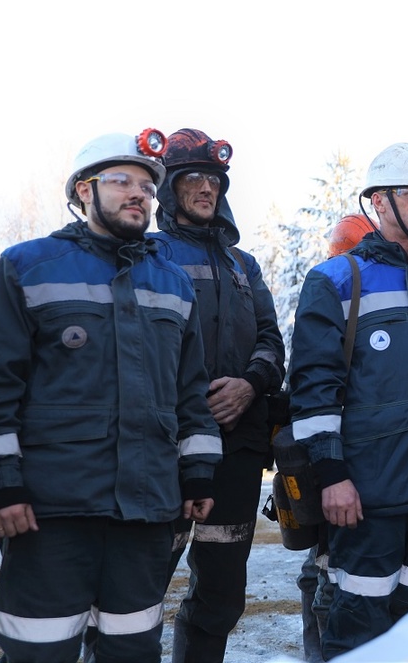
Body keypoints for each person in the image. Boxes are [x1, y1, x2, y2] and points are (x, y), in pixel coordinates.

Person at [0, 130, 222, 662]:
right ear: (83, 191)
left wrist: (197, 473)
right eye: (121, 181)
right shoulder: (28, 267)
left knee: (132, 649)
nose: (139, 194)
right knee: (40, 651)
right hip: (51, 511)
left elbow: (191, 390)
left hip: (146, 511)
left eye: (148, 186)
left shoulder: (173, 282)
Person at [288, 143, 408, 659]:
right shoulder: (335, 280)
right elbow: (314, 389)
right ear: (378, 202)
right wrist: (331, 475)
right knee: (358, 627)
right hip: (370, 491)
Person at [148, 128, 286, 662]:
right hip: (166, 449)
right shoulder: (147, 253)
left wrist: (251, 384)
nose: (207, 189)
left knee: (222, 595)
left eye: (214, 180)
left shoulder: (242, 265)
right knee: (135, 593)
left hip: (237, 451)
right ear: (169, 188)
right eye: (194, 179)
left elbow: (273, 340)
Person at [297, 211, 374, 663]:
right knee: (324, 571)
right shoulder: (333, 288)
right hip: (335, 457)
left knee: (324, 569)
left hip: (355, 454)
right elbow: (313, 380)